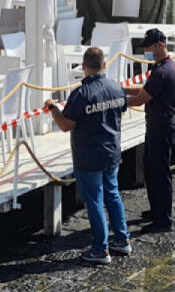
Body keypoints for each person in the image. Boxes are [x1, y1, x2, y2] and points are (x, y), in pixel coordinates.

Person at [45, 47, 131, 265]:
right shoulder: (116, 88)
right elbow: (121, 109)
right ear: (104, 65)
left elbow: (66, 125)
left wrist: (53, 108)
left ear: (83, 67)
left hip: (89, 155)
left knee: (94, 201)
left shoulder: (81, 94)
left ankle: (101, 249)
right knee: (113, 194)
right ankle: (122, 239)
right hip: (111, 152)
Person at [124, 28, 175, 233]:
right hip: (157, 125)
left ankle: (163, 219)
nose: (146, 51)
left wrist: (117, 101)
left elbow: (141, 99)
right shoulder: (162, 68)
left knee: (160, 173)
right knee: (150, 168)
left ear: (160, 45)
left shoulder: (162, 71)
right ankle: (156, 210)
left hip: (161, 127)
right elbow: (146, 90)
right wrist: (122, 89)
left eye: (148, 47)